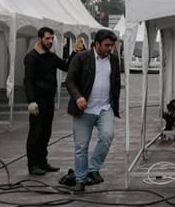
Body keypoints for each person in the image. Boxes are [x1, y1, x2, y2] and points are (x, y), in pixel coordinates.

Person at [64, 28, 123, 193]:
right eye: (107, 45)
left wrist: (114, 101)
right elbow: (70, 80)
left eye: (112, 45)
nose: (110, 48)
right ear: (97, 44)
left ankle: (93, 168)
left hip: (105, 108)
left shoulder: (113, 60)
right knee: (81, 146)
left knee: (107, 136)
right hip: (84, 110)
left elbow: (116, 81)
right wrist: (78, 97)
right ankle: (80, 180)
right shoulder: (81, 57)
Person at [22, 27, 68, 176]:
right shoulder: (32, 58)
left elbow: (66, 66)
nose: (50, 41)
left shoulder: (51, 57)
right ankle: (33, 164)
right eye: (47, 38)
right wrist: (31, 101)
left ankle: (42, 161)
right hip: (38, 100)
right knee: (36, 132)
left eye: (52, 38)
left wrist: (75, 53)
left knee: (46, 132)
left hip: (49, 99)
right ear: (39, 39)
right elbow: (28, 80)